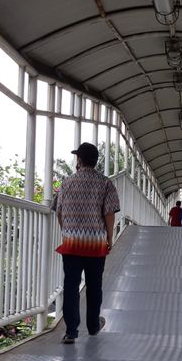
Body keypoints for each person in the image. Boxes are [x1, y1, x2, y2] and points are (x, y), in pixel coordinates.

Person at [55, 142, 120, 344]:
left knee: (71, 285)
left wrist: (67, 232)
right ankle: (93, 325)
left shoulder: (67, 182)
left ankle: (71, 331)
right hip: (95, 243)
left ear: (80, 160)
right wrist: (109, 238)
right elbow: (109, 214)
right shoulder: (105, 183)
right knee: (94, 285)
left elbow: (59, 212)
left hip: (72, 243)